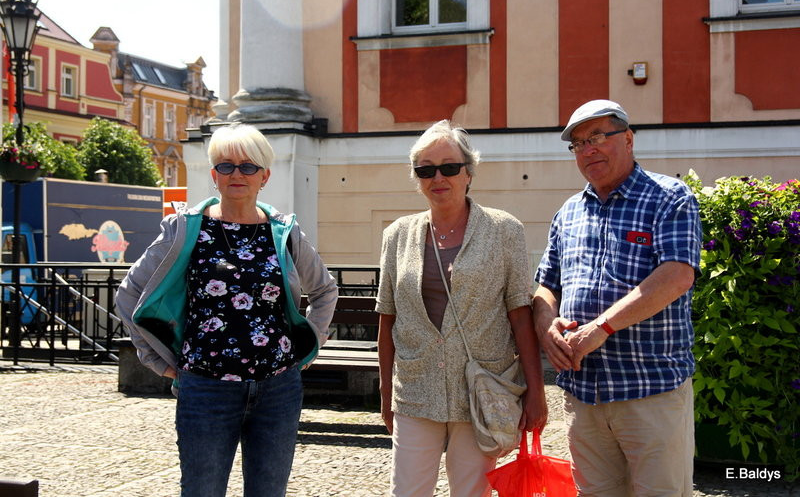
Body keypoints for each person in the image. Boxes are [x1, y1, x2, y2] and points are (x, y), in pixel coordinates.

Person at [115, 123, 337, 497]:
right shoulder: (185, 229)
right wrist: (156, 360)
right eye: (226, 166)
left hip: (277, 389)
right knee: (202, 490)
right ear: (213, 174)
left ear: (264, 176)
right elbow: (128, 295)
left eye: (248, 166)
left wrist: (306, 347)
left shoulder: (283, 232)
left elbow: (325, 291)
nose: (237, 174)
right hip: (206, 388)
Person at [532, 100, 702, 496]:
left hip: (650, 392)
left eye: (596, 137)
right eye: (578, 144)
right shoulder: (569, 212)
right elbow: (545, 286)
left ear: (628, 139)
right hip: (584, 395)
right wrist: (546, 326)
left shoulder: (669, 197)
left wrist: (601, 328)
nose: (587, 150)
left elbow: (677, 275)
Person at [376, 119, 548, 497]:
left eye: (449, 167)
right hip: (416, 391)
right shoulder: (397, 235)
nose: (438, 177)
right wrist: (386, 395)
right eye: (426, 170)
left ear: (468, 172)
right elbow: (387, 319)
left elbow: (520, 315)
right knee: (407, 492)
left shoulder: (504, 230)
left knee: (471, 492)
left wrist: (536, 391)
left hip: (482, 392)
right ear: (417, 178)